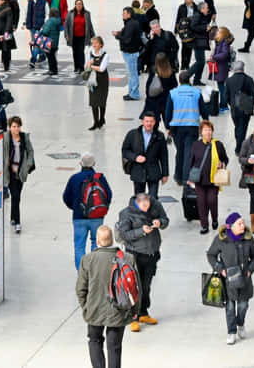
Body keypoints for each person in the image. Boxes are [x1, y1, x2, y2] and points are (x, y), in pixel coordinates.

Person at [76, 225, 132, 368]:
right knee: (114, 347)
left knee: (95, 341)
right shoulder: (127, 258)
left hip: (94, 309)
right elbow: (135, 288)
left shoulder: (87, 259)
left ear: (98, 241)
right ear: (112, 239)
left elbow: (80, 289)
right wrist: (134, 310)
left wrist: (86, 307)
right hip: (118, 310)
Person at [114, 193, 168, 332]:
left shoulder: (155, 206)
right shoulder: (126, 213)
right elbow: (125, 235)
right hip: (135, 254)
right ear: (138, 203)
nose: (146, 209)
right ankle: (133, 317)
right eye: (143, 207)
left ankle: (143, 312)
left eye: (148, 206)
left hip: (152, 253)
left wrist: (160, 223)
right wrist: (141, 231)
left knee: (146, 285)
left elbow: (165, 220)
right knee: (134, 287)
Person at [206, 212, 254, 345]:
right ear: (230, 226)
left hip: (244, 280)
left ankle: (240, 324)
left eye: (243, 222)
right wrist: (220, 269)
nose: (243, 225)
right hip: (228, 281)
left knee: (243, 306)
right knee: (230, 308)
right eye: (239, 223)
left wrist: (250, 271)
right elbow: (211, 255)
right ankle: (231, 331)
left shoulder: (248, 238)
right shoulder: (221, 239)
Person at [63, 153, 113, 270]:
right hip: (97, 216)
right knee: (96, 242)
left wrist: (75, 208)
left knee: (79, 246)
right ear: (94, 164)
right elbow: (108, 195)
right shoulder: (100, 178)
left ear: (80, 163)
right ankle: (94, 271)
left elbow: (66, 197)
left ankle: (82, 273)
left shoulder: (74, 178)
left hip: (79, 217)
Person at [166, 71, 208, 184]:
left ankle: (178, 176)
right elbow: (203, 109)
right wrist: (206, 121)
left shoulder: (173, 93)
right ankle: (186, 177)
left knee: (180, 151)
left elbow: (168, 111)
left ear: (179, 81)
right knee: (188, 152)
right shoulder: (196, 92)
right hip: (192, 126)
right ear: (189, 80)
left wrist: (167, 127)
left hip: (176, 127)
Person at [188, 120, 229, 234]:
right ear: (201, 132)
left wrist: (222, 164)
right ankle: (204, 225)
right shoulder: (196, 145)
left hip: (214, 179)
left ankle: (214, 219)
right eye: (205, 130)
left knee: (212, 201)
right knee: (201, 203)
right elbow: (191, 161)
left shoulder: (218, 144)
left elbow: (225, 158)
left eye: (210, 130)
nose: (208, 132)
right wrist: (190, 177)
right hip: (199, 180)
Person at [121, 112, 169, 199]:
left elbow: (164, 156)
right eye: (147, 121)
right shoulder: (132, 134)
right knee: (139, 199)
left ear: (155, 122)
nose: (149, 124)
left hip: (153, 171)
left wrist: (165, 174)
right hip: (138, 171)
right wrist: (135, 157)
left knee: (153, 199)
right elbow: (125, 151)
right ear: (142, 122)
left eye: (151, 121)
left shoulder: (160, 136)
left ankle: (151, 213)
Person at [4, 116, 35, 233]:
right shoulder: (6, 138)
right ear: (10, 127)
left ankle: (13, 216)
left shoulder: (24, 137)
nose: (16, 129)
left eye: (18, 126)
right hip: (10, 172)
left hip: (21, 171)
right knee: (15, 195)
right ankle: (17, 222)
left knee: (17, 196)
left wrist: (28, 164)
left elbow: (31, 151)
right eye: (13, 126)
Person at [223, 61, 254, 153]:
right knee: (243, 127)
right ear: (243, 68)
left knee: (238, 126)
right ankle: (239, 148)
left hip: (234, 109)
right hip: (245, 108)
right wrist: (251, 104)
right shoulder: (249, 79)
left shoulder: (229, 80)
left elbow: (226, 96)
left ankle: (239, 144)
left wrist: (231, 104)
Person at [114, 7, 143, 101]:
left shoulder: (131, 24)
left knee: (132, 74)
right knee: (131, 74)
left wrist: (117, 35)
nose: (122, 15)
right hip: (131, 52)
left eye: (124, 13)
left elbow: (127, 39)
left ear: (129, 14)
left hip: (130, 52)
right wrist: (121, 33)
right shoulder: (131, 23)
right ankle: (132, 92)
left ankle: (134, 94)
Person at [65, 0, 95, 74]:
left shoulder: (87, 13)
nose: (79, 5)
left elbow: (89, 25)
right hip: (73, 36)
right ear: (75, 5)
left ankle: (81, 68)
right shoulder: (70, 13)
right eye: (77, 4)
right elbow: (66, 25)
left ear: (82, 5)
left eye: (80, 4)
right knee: (75, 52)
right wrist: (66, 35)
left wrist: (93, 35)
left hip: (83, 36)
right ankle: (76, 67)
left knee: (81, 51)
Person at [87, 36, 110, 130]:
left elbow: (101, 69)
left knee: (102, 101)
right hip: (92, 79)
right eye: (93, 43)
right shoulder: (90, 53)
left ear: (101, 44)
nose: (94, 45)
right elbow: (86, 66)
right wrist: (90, 64)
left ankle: (102, 119)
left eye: (96, 43)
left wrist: (91, 65)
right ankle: (95, 122)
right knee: (93, 102)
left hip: (102, 80)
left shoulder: (105, 55)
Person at [186, 2, 212, 85]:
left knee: (201, 61)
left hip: (201, 41)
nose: (207, 9)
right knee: (200, 61)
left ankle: (197, 80)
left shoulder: (202, 15)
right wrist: (205, 27)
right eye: (206, 8)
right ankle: (186, 76)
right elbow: (193, 26)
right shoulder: (198, 15)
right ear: (202, 9)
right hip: (197, 42)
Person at [211, 27, 234, 113]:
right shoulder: (221, 42)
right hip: (221, 67)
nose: (217, 33)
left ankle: (224, 105)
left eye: (218, 32)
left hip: (222, 68)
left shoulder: (224, 43)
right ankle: (223, 105)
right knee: (221, 86)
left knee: (222, 87)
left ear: (223, 34)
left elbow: (224, 54)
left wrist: (214, 57)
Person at [24, 0, 47, 68]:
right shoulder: (30, 2)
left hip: (40, 27)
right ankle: (42, 55)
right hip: (32, 27)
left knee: (36, 44)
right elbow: (27, 13)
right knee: (38, 43)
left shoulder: (44, 2)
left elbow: (47, 14)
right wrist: (25, 23)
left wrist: (44, 26)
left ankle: (32, 60)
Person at [175, 0, 198, 71]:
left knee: (190, 47)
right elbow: (178, 19)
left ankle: (187, 64)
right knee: (184, 47)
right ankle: (183, 64)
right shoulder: (181, 7)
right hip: (183, 29)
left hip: (192, 29)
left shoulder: (196, 7)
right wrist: (176, 31)